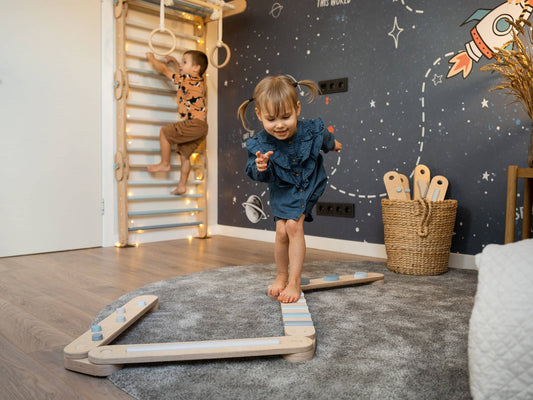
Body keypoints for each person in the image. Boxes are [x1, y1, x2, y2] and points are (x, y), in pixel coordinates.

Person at [238, 75, 342, 303]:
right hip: (282, 189)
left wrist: (334, 145)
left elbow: (324, 139)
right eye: (271, 119)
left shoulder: (309, 130)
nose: (279, 125)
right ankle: (281, 276)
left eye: (286, 117)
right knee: (281, 231)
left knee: (294, 226)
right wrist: (260, 166)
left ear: (297, 108)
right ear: (259, 116)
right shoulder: (260, 143)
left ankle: (294, 282)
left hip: (308, 182)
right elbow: (254, 172)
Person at [145, 50, 208, 195]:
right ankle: (182, 186)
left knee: (164, 132)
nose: (181, 65)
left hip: (193, 124)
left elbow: (164, 70)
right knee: (184, 155)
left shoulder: (186, 80)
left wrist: (152, 58)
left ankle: (165, 163)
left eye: (184, 62)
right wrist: (175, 62)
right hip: (202, 127)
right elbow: (181, 75)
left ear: (196, 68)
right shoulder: (197, 82)